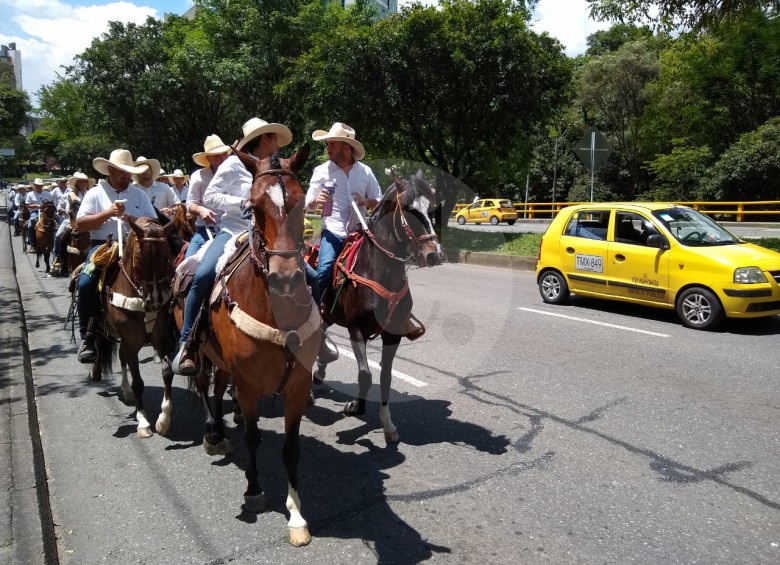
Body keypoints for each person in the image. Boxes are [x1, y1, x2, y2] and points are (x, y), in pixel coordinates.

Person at [173, 118, 292, 375]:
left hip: (267, 234)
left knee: (309, 276)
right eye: (275, 139)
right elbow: (211, 197)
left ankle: (313, 337)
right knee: (202, 274)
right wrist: (243, 201)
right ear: (264, 139)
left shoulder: (276, 167)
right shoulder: (233, 164)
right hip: (234, 231)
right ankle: (187, 344)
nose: (278, 146)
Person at [74, 149, 157, 363]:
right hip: (103, 247)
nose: (127, 177)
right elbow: (80, 224)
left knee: (165, 275)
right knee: (85, 282)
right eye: (122, 172)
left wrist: (132, 218)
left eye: (129, 172)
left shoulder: (139, 193)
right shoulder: (95, 193)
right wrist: (107, 214)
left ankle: (167, 331)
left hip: (135, 245)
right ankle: (88, 336)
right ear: (110, 170)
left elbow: (153, 223)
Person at [304, 122, 381, 307]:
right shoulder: (322, 171)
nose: (328, 148)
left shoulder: (365, 172)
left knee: (387, 269)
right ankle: (316, 311)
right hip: (333, 231)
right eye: (328, 144)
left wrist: (366, 201)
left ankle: (395, 312)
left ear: (346, 148)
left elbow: (379, 199)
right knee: (324, 270)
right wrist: (318, 200)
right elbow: (309, 206)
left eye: (332, 144)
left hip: (360, 233)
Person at [185, 135, 231, 258]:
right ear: (208, 159)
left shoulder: (236, 174)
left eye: (225, 154)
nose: (223, 158)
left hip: (234, 230)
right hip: (206, 231)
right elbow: (190, 204)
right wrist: (200, 210)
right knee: (187, 268)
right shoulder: (198, 176)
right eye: (217, 155)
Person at [52, 172, 95, 274]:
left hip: (88, 220)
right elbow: (65, 209)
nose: (84, 183)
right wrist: (72, 211)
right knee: (59, 236)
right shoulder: (70, 195)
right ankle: (60, 259)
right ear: (77, 183)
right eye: (81, 181)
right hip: (71, 220)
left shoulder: (91, 194)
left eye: (85, 181)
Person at [25, 178, 53, 250]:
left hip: (47, 212)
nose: (39, 186)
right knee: (30, 226)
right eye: (37, 185)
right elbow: (27, 205)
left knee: (56, 223)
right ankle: (32, 243)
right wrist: (36, 206)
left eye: (40, 185)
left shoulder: (48, 193)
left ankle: (54, 243)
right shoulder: (30, 194)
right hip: (35, 211)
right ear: (34, 185)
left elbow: (52, 204)